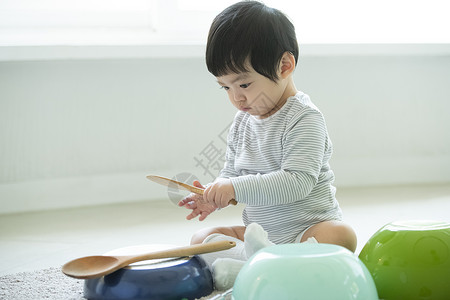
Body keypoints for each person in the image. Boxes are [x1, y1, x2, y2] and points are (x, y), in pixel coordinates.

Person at [178, 0, 356, 274]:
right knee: (201, 240)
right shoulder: (242, 123)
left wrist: (235, 188)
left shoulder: (304, 118)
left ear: (285, 65)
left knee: (342, 235)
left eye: (244, 84)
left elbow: (297, 183)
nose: (236, 97)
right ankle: (265, 261)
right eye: (225, 87)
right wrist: (215, 194)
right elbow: (232, 173)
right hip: (259, 232)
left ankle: (257, 265)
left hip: (305, 230)